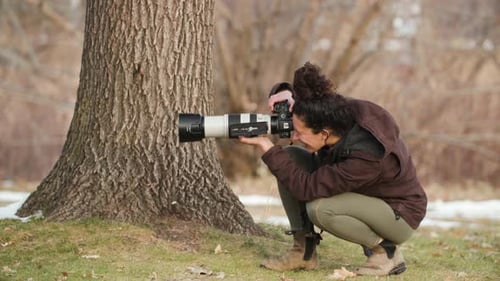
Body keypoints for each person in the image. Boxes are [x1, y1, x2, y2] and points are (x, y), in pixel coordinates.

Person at [238, 62, 427, 276]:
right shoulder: (332, 112)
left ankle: (386, 251)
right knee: (290, 157)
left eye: (300, 133)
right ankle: (304, 252)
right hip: (363, 194)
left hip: (399, 213)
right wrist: (284, 92)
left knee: (320, 208)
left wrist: (266, 147)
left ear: (325, 134)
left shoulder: (367, 154)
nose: (294, 137)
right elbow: (312, 97)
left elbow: (306, 189)